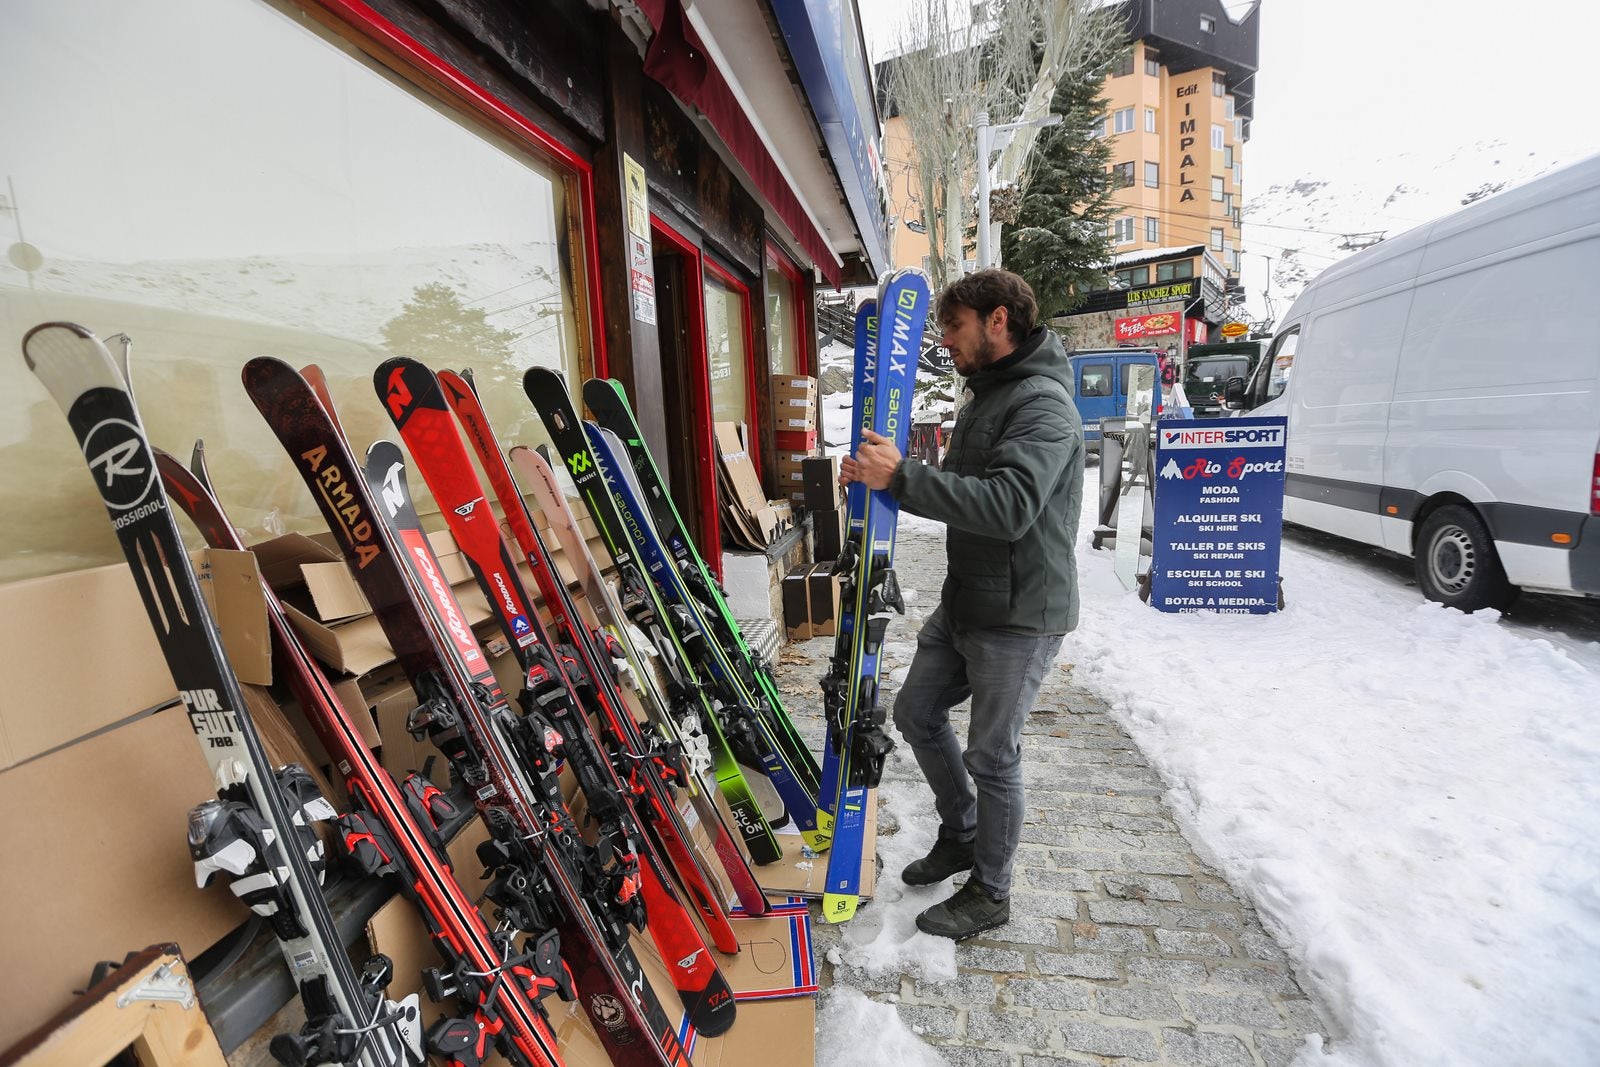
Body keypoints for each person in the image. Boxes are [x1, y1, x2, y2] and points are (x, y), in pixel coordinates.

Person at [840, 268, 1083, 940]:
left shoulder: (1042, 405)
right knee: (916, 712)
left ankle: (991, 891)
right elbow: (960, 487)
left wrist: (905, 478)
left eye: (954, 326)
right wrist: (879, 478)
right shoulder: (987, 394)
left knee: (992, 754)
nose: (944, 340)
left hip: (1021, 614)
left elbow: (1007, 507)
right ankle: (962, 831)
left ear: (998, 320)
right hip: (968, 600)